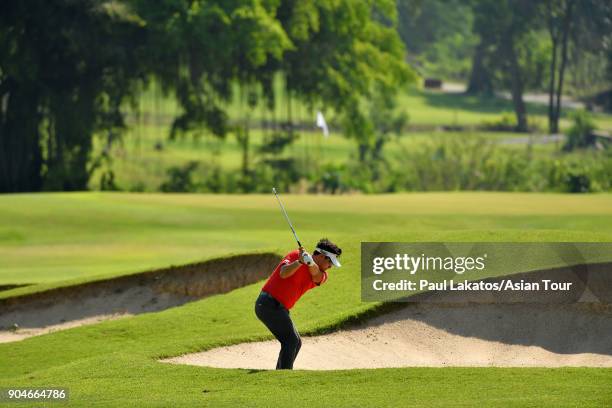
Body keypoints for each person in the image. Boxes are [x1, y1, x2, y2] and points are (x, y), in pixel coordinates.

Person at [254, 238, 342, 369]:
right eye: (330, 263)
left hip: (280, 309)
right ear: (323, 256)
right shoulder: (296, 255)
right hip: (267, 304)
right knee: (291, 341)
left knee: (296, 342)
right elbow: (283, 273)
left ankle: (280, 373)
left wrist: (310, 263)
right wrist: (300, 262)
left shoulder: (323, 275)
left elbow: (316, 275)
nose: (330, 267)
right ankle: (283, 375)